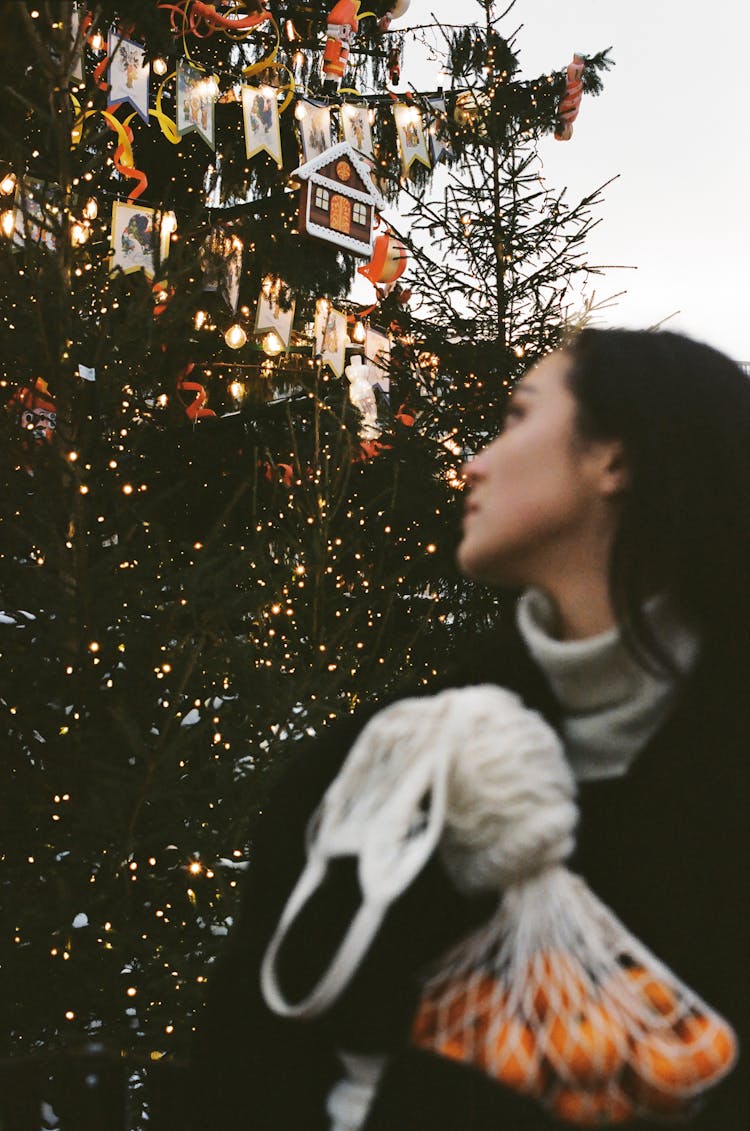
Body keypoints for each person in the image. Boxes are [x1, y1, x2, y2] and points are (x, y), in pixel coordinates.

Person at [190, 328, 749, 1129]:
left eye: (519, 417)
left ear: (616, 460)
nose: (474, 463)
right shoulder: (387, 769)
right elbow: (249, 1073)